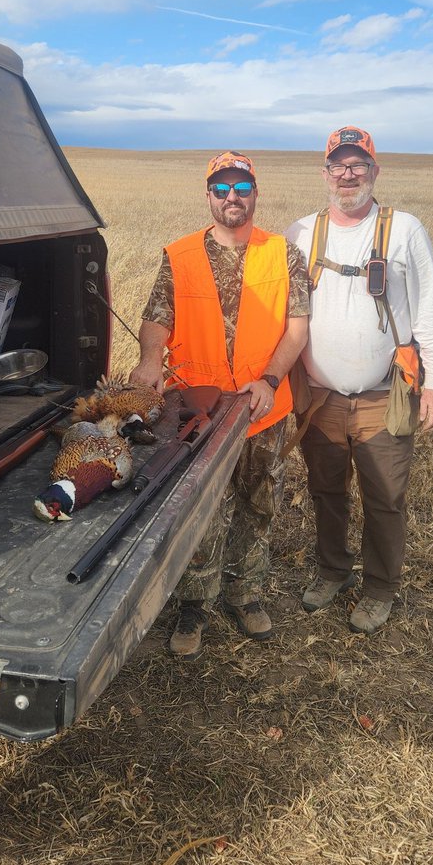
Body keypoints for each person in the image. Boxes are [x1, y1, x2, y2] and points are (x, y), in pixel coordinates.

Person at [130, 151, 310, 659]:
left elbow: (297, 327)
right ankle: (193, 603)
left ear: (255, 193)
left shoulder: (284, 252)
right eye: (222, 187)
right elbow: (156, 317)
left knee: (257, 503)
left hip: (259, 406)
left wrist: (270, 380)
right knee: (198, 510)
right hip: (199, 407)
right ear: (209, 194)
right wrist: (149, 360)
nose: (232, 196)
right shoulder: (180, 254)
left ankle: (245, 592)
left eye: (242, 186)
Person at [286, 126, 433, 634]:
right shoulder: (300, 232)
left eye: (358, 164)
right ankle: (332, 571)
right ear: (325, 174)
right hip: (320, 399)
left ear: (374, 172)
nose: (348, 174)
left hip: (386, 396)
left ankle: (380, 587)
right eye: (339, 165)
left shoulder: (403, 229)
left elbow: (430, 310)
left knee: (384, 497)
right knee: (325, 490)